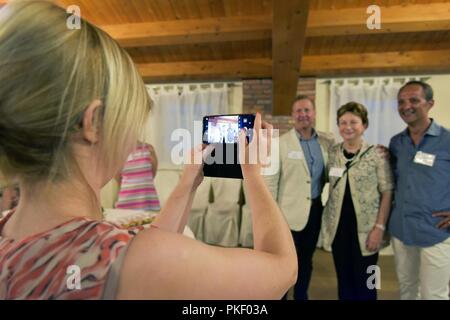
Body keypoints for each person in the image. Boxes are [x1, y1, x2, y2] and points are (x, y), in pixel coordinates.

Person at [0, 1, 297, 299]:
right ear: (93, 124)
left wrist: (188, 181)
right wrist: (254, 174)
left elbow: (146, 248)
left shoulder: (10, 228)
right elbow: (282, 269)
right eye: (128, 122)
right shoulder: (128, 260)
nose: (131, 140)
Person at [264, 95, 335, 300]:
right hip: (286, 215)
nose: (303, 115)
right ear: (292, 115)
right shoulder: (280, 143)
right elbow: (270, 184)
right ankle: (282, 296)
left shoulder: (327, 141)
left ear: (314, 113)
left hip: (314, 210)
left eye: (307, 110)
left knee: (307, 259)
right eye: (298, 111)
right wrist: (273, 218)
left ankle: (302, 294)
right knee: (285, 262)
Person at [322, 102, 393, 300]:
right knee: (344, 281)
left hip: (367, 231)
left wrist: (379, 228)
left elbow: (387, 191)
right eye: (343, 122)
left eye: (354, 121)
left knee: (368, 283)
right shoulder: (333, 153)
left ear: (365, 125)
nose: (348, 126)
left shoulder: (377, 154)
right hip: (338, 229)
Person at [388, 80, 450, 300]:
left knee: (434, 294)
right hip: (402, 230)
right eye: (401, 101)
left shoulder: (447, 140)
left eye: (414, 100)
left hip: (436, 231)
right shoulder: (396, 143)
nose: (406, 106)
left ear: (430, 103)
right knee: (407, 289)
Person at [115, 141, 160, 211]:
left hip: (147, 200)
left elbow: (152, 174)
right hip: (126, 201)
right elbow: (118, 178)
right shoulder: (119, 152)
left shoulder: (148, 149)